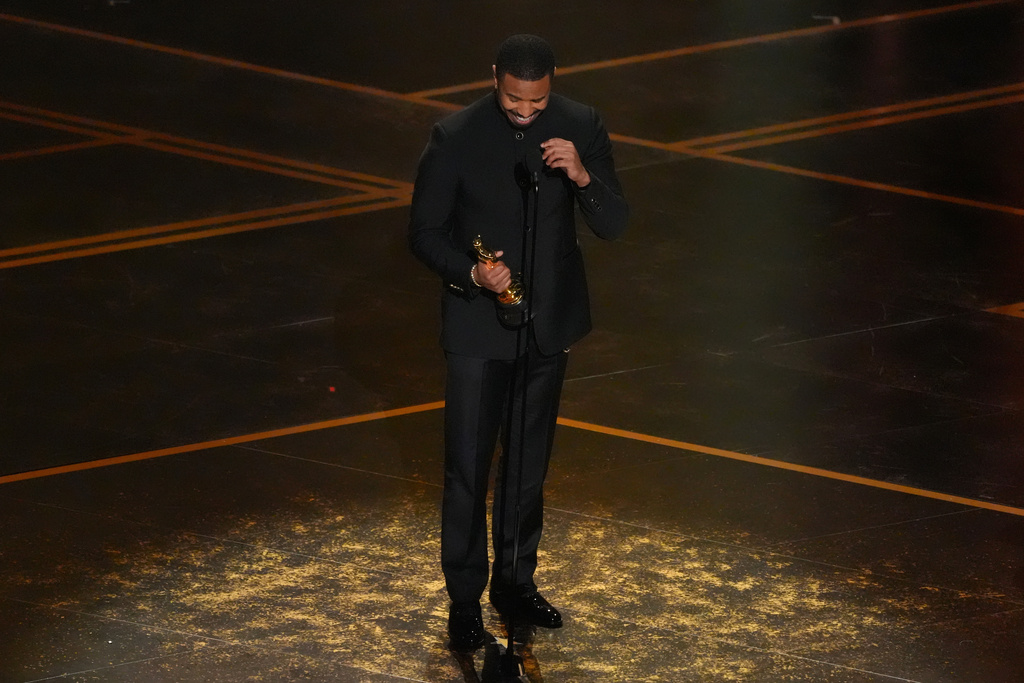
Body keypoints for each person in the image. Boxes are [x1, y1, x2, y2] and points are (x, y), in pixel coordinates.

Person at [408, 34, 629, 652]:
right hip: (479, 330)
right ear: (495, 78)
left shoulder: (582, 125)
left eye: (536, 102)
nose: (526, 113)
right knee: (468, 470)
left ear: (552, 82)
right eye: (513, 101)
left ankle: (515, 583)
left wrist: (582, 174)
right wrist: (472, 273)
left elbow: (614, 223)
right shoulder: (455, 137)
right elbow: (423, 232)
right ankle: (463, 602)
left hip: (546, 326)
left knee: (528, 467)